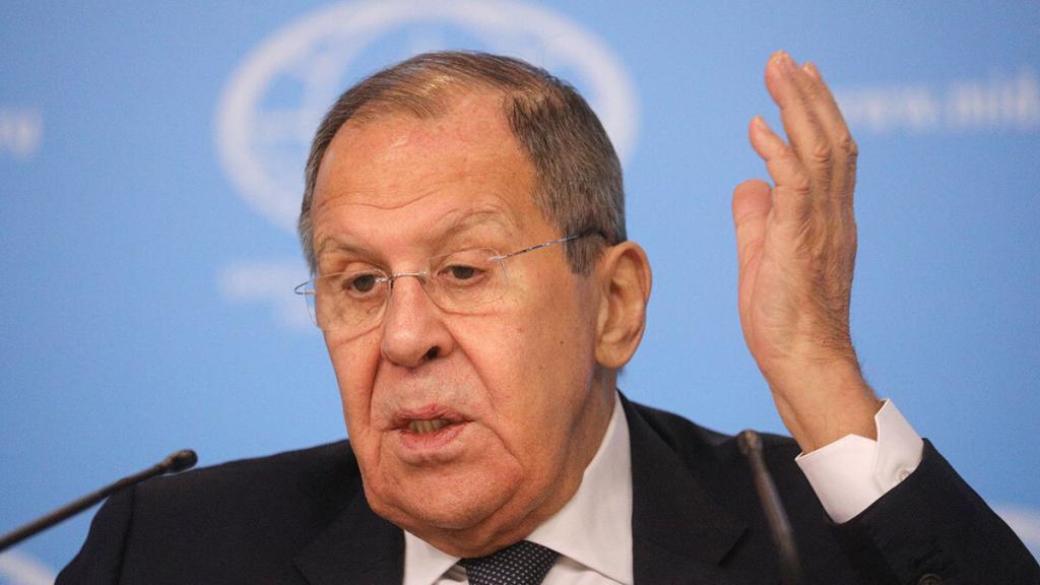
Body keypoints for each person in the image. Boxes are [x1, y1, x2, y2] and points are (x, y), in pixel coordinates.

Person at [58, 51, 1038, 584]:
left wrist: (815, 365)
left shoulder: (817, 543)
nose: (403, 337)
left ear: (613, 304)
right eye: (358, 283)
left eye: (463, 269)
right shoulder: (174, 551)